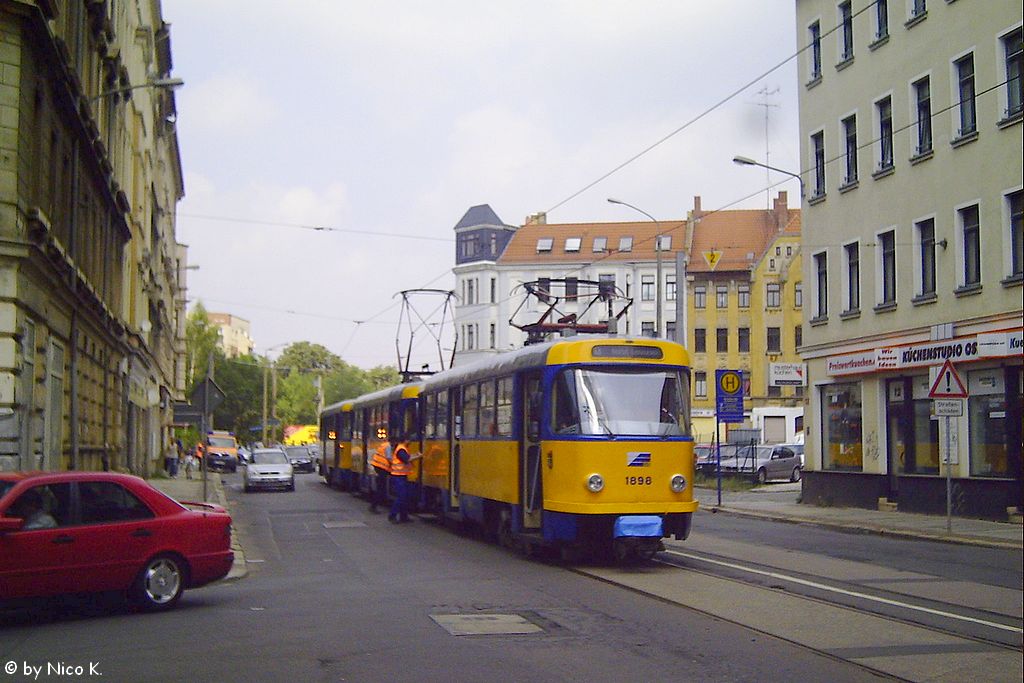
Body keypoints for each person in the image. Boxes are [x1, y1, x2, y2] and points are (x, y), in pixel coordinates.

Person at [388, 438, 412, 523]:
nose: (410, 442)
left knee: (404, 496)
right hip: (398, 476)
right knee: (401, 496)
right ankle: (392, 515)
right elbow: (406, 459)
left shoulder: (401, 448)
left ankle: (403, 516)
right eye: (409, 440)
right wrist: (417, 456)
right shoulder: (401, 449)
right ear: (405, 440)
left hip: (401, 475)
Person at [368, 440, 391, 513]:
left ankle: (374, 505)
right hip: (382, 469)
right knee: (381, 488)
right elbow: (389, 458)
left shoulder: (383, 445)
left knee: (380, 487)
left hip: (378, 467)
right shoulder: (388, 446)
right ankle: (373, 506)